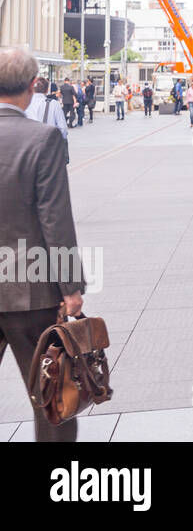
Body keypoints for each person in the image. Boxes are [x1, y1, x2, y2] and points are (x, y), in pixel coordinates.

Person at [0, 47, 84, 442]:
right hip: (29, 291)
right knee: (51, 395)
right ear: (33, 86)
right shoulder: (43, 139)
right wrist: (71, 288)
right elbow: (55, 220)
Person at [26, 77, 68, 142]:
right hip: (49, 144)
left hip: (29, 144)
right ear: (47, 90)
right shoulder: (54, 104)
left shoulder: (25, 104)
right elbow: (63, 129)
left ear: (31, 89)